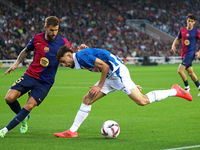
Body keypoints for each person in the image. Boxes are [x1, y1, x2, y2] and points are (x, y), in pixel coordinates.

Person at [54, 45, 192, 138]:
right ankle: (72, 131)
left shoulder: (81, 57)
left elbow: (105, 66)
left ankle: (176, 91)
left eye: (63, 61)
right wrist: (87, 49)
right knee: (87, 99)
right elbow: (98, 56)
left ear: (68, 55)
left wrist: (99, 85)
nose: (64, 65)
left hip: (116, 73)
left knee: (142, 101)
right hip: (112, 76)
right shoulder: (80, 56)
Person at [0, 16, 73, 138]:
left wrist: (77, 55)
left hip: (45, 82)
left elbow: (72, 56)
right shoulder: (36, 38)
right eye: (51, 30)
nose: (54, 33)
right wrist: (16, 64)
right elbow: (26, 50)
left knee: (28, 106)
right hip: (30, 75)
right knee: (9, 98)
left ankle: (5, 130)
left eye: (56, 30)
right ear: (45, 28)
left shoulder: (63, 42)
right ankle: (23, 117)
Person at [171, 13, 200, 96]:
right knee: (190, 73)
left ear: (194, 22)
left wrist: (199, 52)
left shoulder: (196, 31)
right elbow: (177, 39)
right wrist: (173, 45)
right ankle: (199, 87)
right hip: (183, 55)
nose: (189, 22)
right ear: (186, 21)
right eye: (188, 21)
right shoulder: (182, 30)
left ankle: (187, 88)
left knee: (180, 71)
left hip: (190, 54)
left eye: (191, 21)